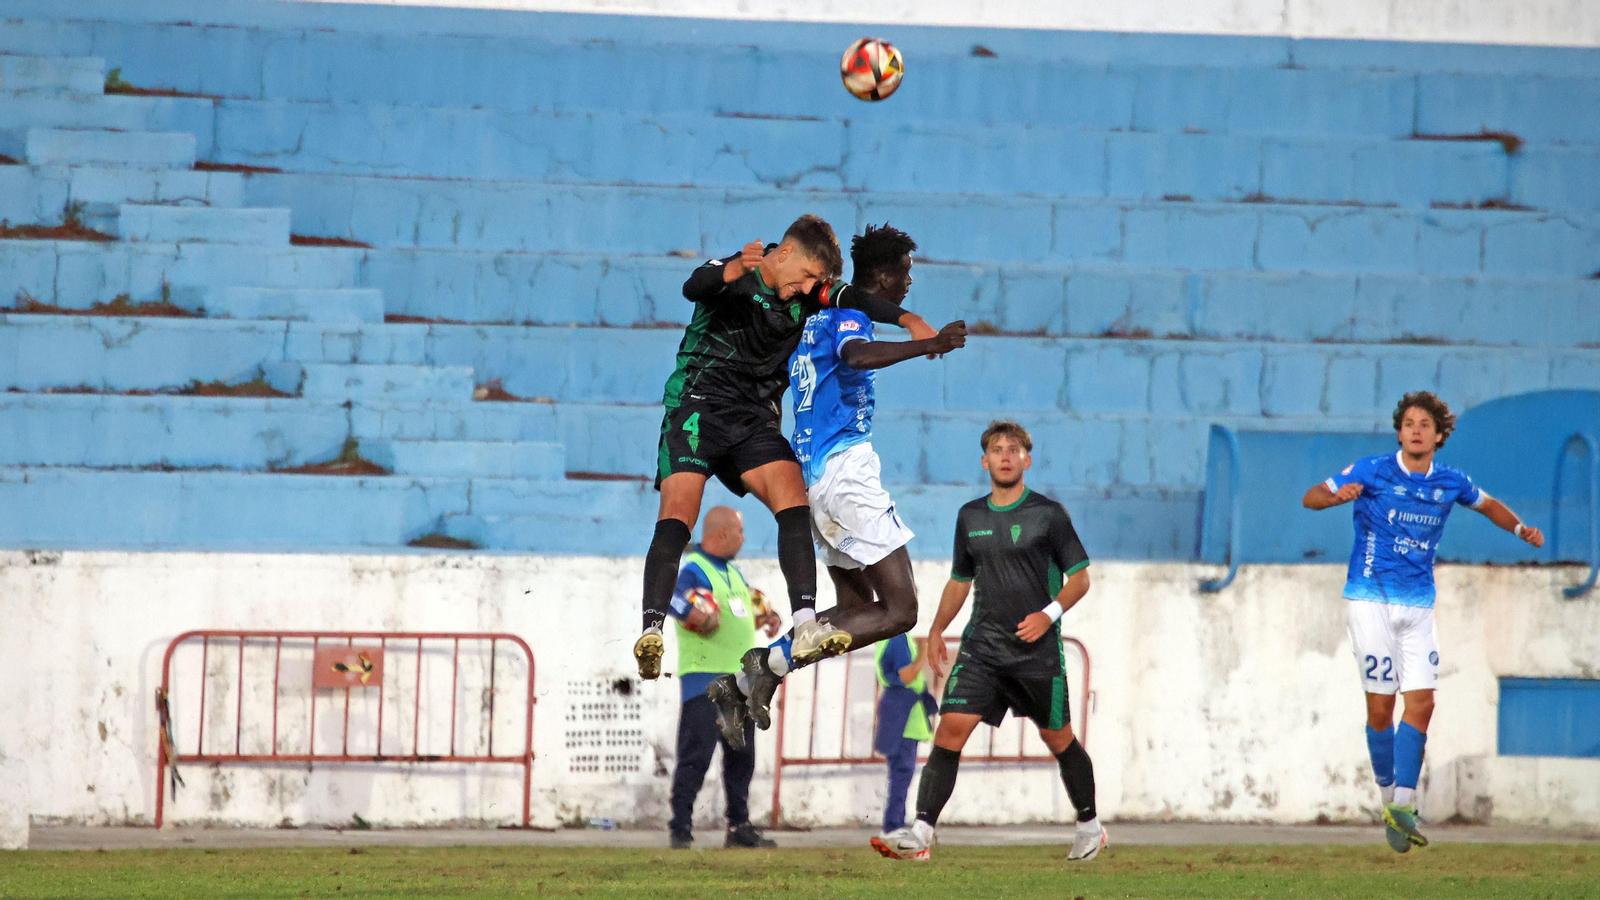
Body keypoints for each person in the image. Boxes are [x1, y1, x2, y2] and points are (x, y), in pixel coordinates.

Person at [634, 215, 938, 683]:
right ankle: (651, 627)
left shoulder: (815, 294)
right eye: (809, 277)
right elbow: (694, 286)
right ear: (785, 255)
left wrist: (907, 319)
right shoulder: (741, 270)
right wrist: (729, 271)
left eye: (819, 283)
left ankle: (803, 625)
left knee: (792, 501)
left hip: (754, 417)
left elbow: (851, 297)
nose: (811, 289)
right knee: (678, 513)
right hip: (699, 403)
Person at [703, 224, 967, 746]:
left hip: (814, 482)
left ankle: (743, 681)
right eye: (907, 273)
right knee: (900, 610)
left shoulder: (811, 320)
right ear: (886, 275)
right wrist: (929, 343)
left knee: (854, 611)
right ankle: (769, 664)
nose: (909, 285)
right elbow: (855, 357)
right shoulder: (848, 316)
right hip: (846, 473)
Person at [1301, 391, 1544, 853]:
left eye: (1424, 424)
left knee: (1423, 703)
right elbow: (1311, 496)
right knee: (1380, 709)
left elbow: (1488, 503)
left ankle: (1403, 806)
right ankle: (1388, 793)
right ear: (1399, 431)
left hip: (1418, 608)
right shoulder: (1372, 469)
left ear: (1438, 435)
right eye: (1408, 422)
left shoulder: (1450, 481)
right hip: (1370, 601)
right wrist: (1337, 498)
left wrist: (1519, 529)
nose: (1415, 429)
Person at [875, 420, 1105, 863]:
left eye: (1013, 448)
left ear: (1026, 460)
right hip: (982, 650)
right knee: (950, 729)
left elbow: (1080, 580)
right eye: (997, 449)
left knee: (1059, 739)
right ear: (985, 461)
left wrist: (1047, 614)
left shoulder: (1049, 515)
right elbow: (960, 581)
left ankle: (1090, 826)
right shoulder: (970, 516)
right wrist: (938, 629)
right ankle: (921, 832)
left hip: (1036, 653)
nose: (1005, 455)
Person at [665, 506, 782, 850]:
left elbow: (743, 607)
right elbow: (670, 597)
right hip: (704, 680)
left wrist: (767, 616)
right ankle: (681, 827)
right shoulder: (693, 570)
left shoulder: (732, 572)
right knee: (696, 756)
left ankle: (739, 828)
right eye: (740, 532)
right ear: (722, 533)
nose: (744, 539)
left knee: (741, 758)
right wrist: (695, 615)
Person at [874, 633, 937, 843]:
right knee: (902, 770)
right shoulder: (898, 637)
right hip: (904, 714)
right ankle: (893, 824)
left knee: (900, 771)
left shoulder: (887, 638)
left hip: (901, 710)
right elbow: (907, 676)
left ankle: (895, 822)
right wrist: (922, 655)